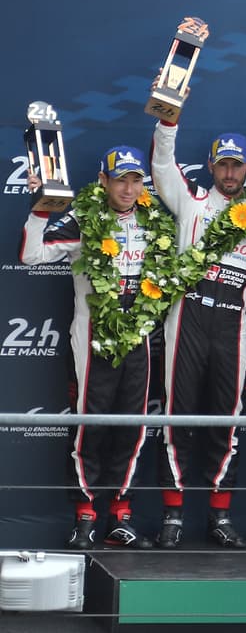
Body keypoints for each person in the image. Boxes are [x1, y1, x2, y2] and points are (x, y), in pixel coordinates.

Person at [21, 146, 162, 549]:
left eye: (136, 180)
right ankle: (84, 517)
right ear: (103, 181)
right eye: (121, 179)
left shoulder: (156, 224)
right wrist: (40, 208)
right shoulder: (85, 220)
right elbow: (31, 255)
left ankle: (121, 517)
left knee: (132, 430)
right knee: (90, 428)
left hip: (140, 342)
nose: (129, 188)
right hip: (92, 341)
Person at [150, 119, 246, 549]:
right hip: (187, 323)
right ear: (210, 167)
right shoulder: (192, 204)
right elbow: (162, 165)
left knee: (227, 424)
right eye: (223, 166)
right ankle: (173, 516)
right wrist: (168, 122)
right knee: (176, 421)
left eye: (237, 166)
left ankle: (220, 516)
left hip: (231, 331)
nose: (230, 174)